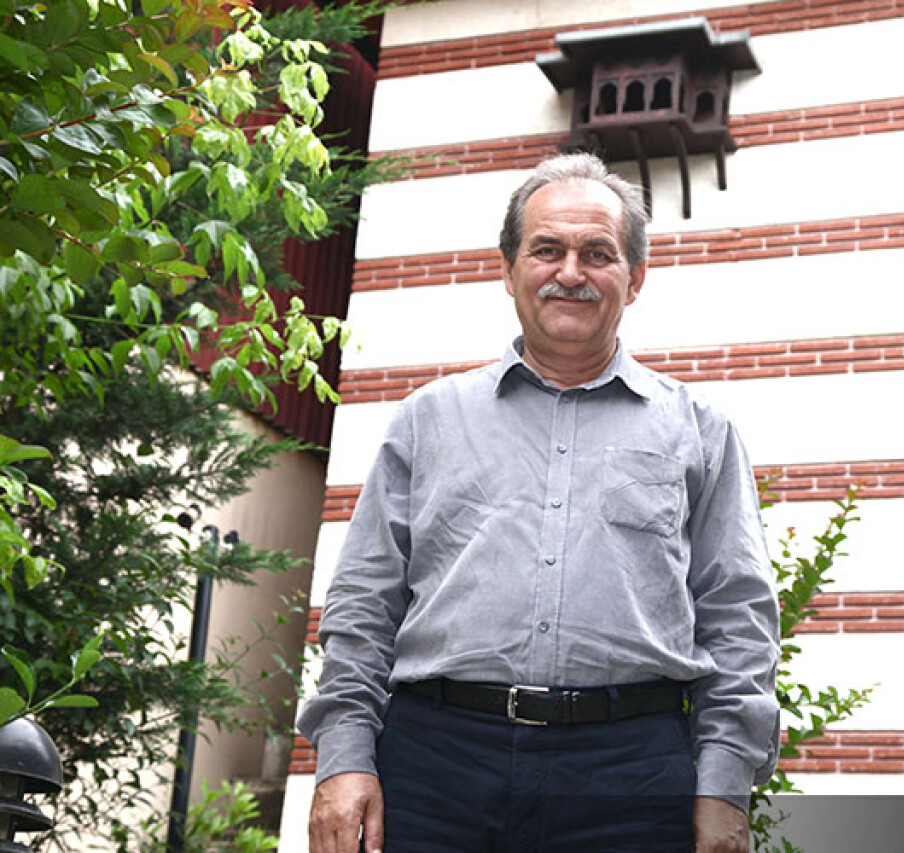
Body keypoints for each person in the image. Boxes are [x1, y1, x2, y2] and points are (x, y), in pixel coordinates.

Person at [300, 152, 779, 853]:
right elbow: (363, 606)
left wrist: (725, 783)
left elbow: (738, 617)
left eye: (597, 254)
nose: (570, 272)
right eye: (547, 249)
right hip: (434, 769)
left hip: (630, 778)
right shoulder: (427, 421)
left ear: (635, 278)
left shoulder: (699, 432)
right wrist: (343, 758)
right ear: (508, 269)